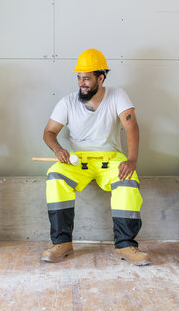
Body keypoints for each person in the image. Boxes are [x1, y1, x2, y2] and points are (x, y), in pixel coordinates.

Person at [40, 49, 150, 266]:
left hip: (111, 158)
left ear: (101, 78)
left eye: (87, 78)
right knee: (55, 176)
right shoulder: (68, 101)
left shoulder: (117, 95)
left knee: (127, 180)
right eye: (79, 78)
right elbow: (48, 132)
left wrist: (132, 159)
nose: (81, 83)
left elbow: (132, 127)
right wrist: (58, 150)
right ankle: (62, 243)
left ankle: (126, 244)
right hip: (77, 160)